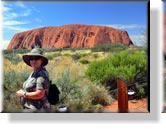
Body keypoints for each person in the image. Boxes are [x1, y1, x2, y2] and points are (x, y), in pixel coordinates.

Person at [16, 47, 50, 112]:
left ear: (41, 60)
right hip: (30, 108)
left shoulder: (41, 74)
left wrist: (23, 94)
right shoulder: (34, 72)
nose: (33, 61)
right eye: (31, 58)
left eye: (36, 58)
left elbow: (40, 94)